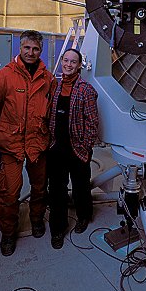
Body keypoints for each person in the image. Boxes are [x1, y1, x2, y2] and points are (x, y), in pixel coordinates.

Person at [0, 30, 56, 256]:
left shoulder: (48, 79)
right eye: (27, 48)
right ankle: (8, 233)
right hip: (10, 146)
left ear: (40, 51)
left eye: (35, 49)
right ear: (19, 48)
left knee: (40, 188)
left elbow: (51, 111)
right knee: (9, 193)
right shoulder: (4, 76)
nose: (31, 53)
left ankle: (36, 219)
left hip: (37, 144)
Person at [48, 48, 99, 249]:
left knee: (81, 187)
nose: (68, 64)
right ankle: (57, 229)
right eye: (66, 60)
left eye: (73, 62)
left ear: (79, 66)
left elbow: (92, 123)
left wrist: (85, 147)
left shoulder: (86, 90)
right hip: (56, 148)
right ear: (62, 62)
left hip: (78, 149)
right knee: (56, 190)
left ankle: (84, 216)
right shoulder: (55, 87)